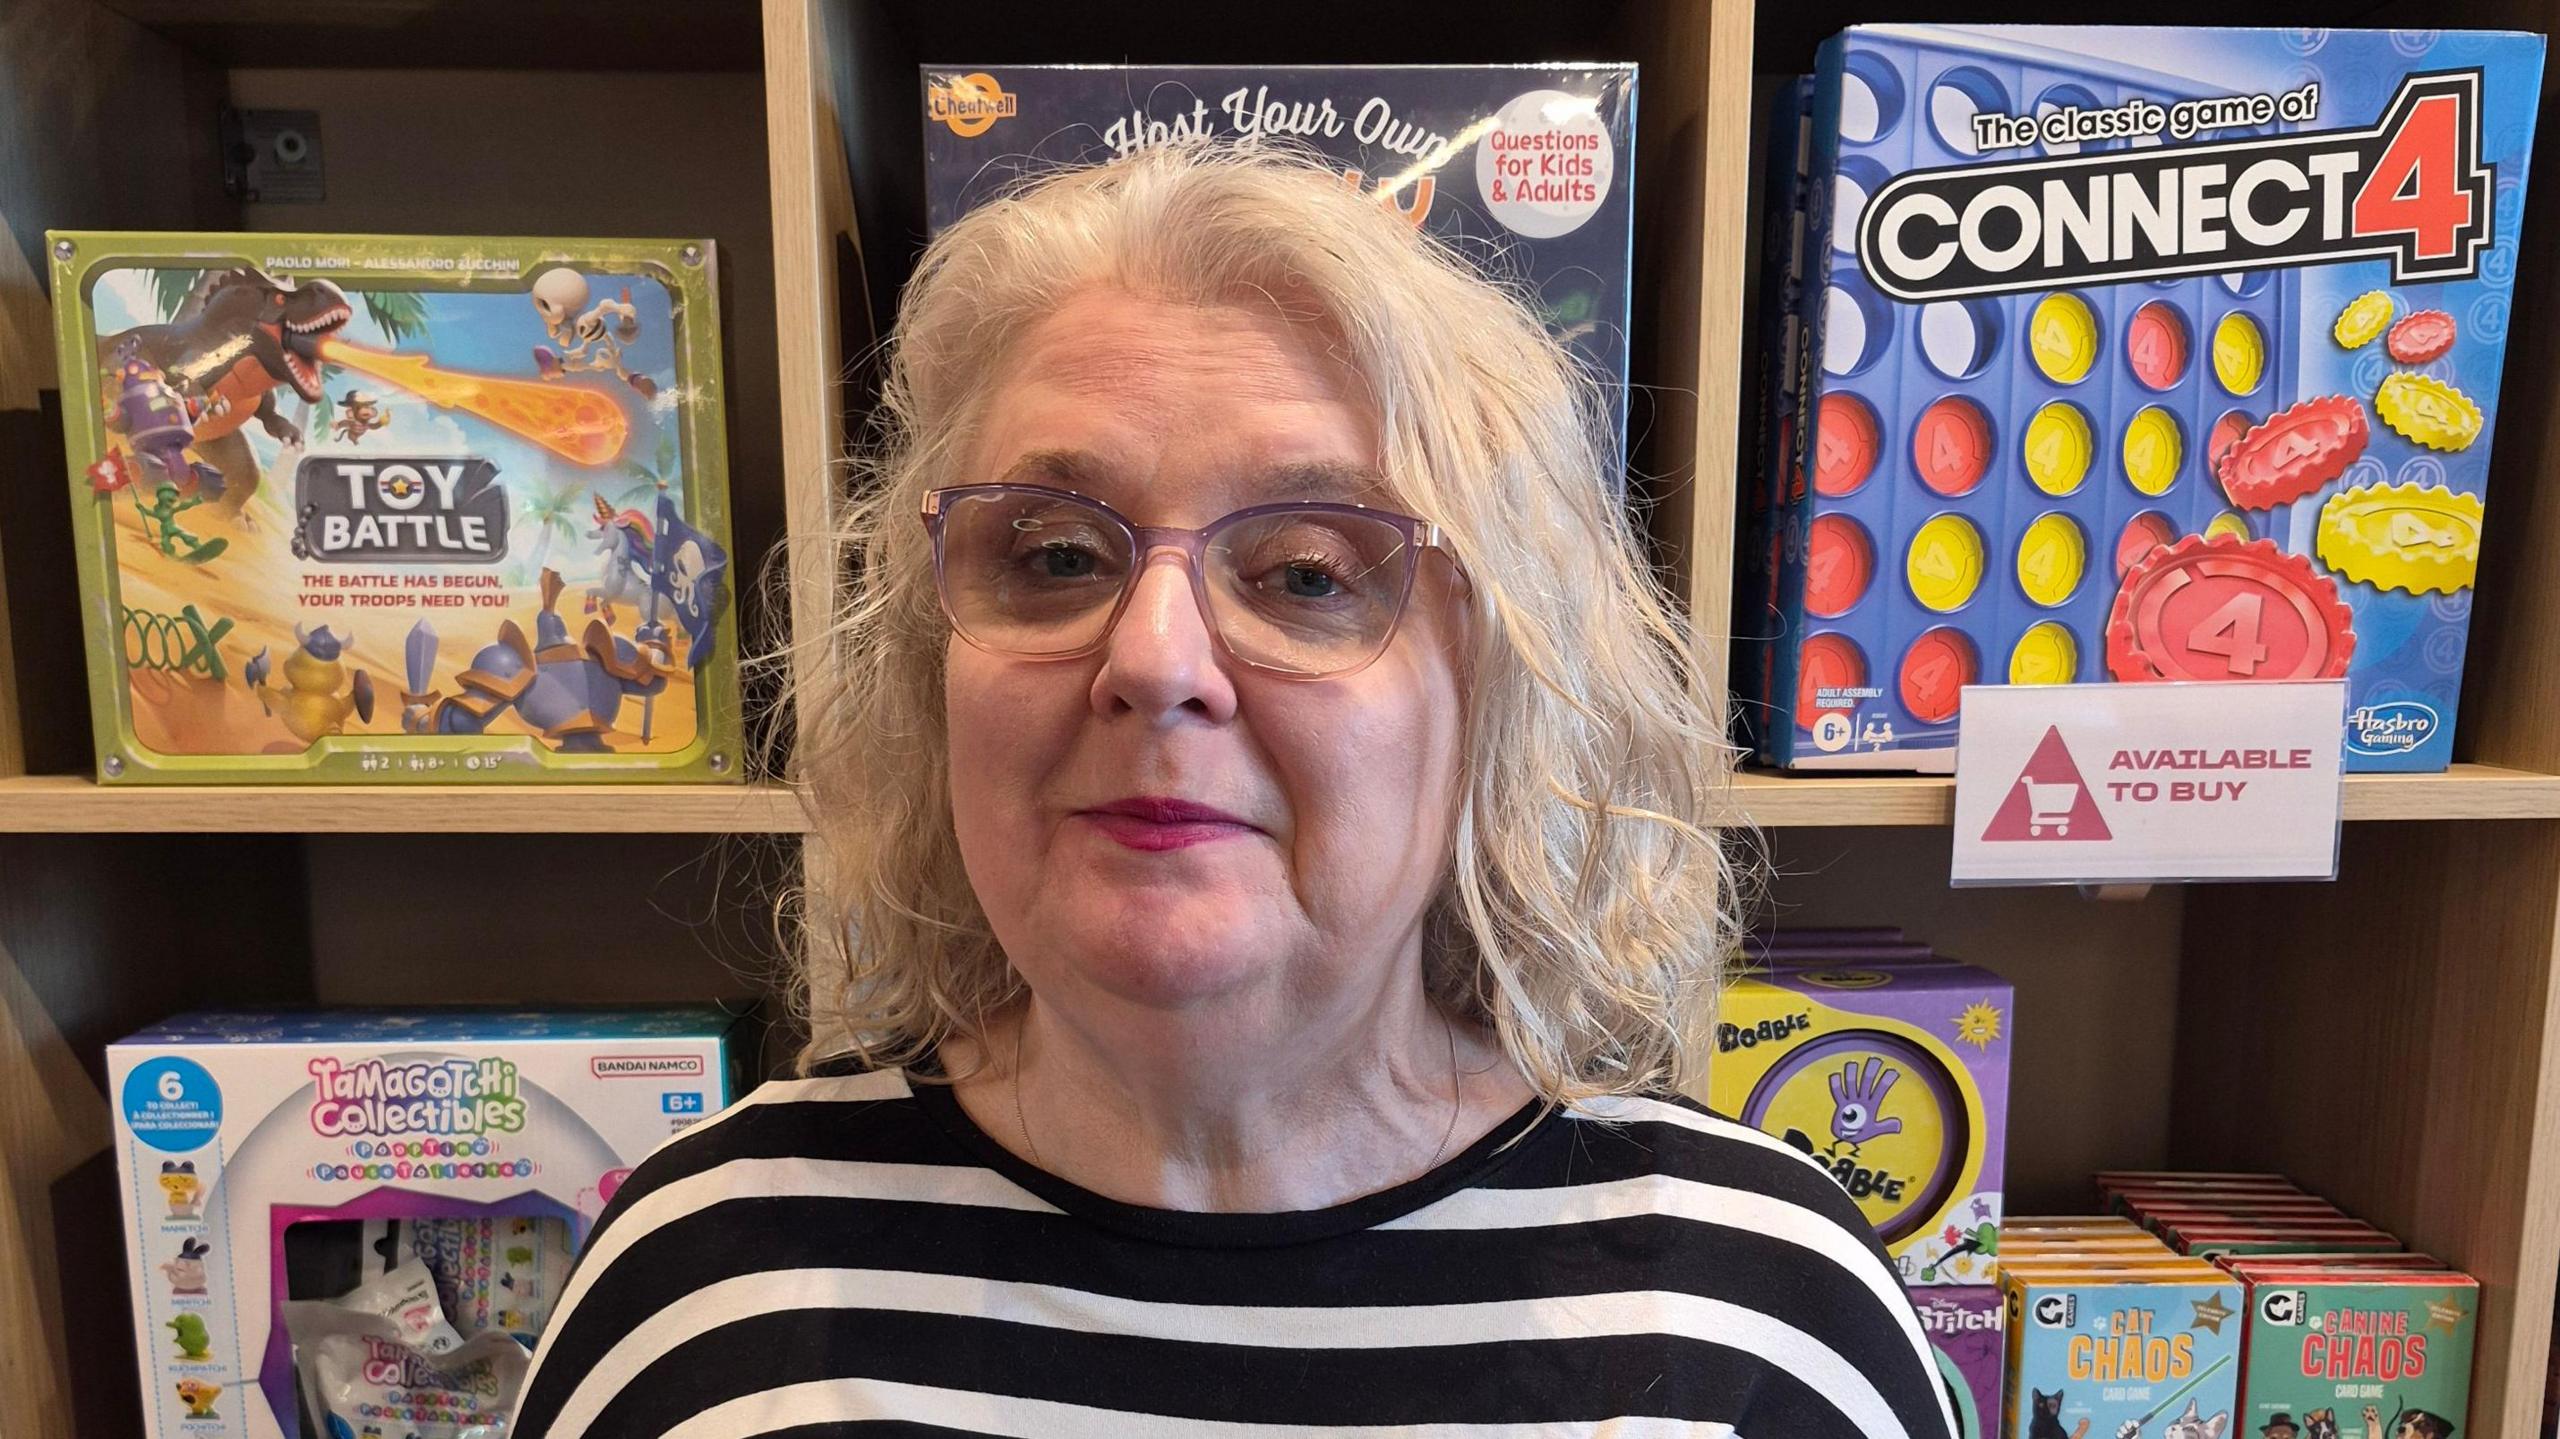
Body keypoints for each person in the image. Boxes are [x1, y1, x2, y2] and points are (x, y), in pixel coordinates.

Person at [513, 142, 1955, 1439]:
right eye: (1057, 555)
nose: (1154, 661)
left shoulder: (1765, 1326)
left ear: (1497, 686)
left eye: (1310, 575)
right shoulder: (697, 1298)